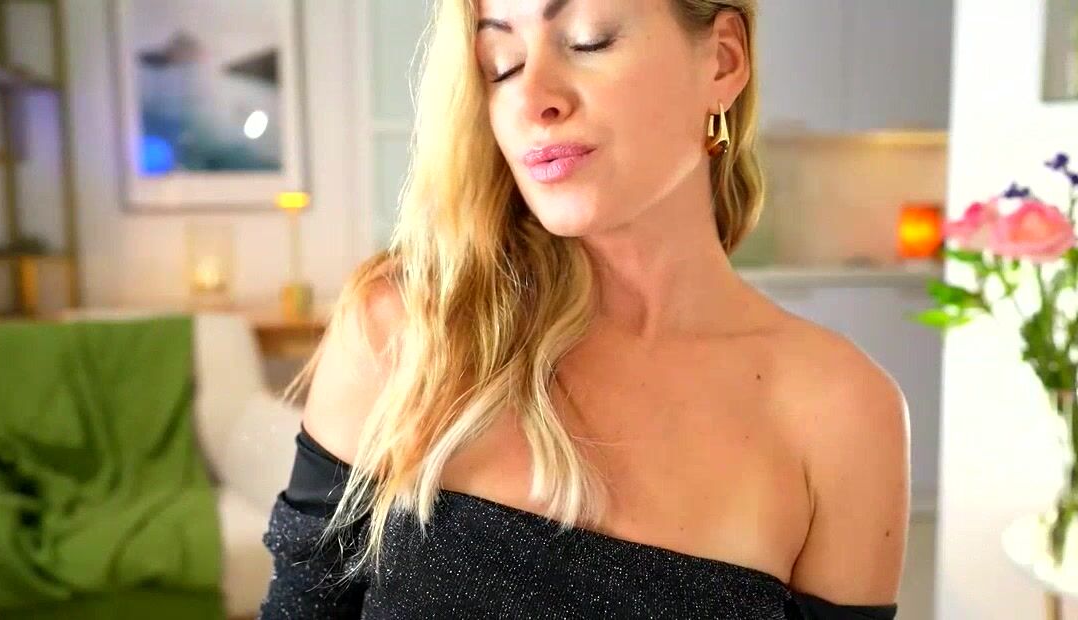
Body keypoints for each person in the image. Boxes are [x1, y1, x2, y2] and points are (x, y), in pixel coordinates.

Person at [260, 0, 910, 618]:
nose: (532, 99)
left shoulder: (842, 415)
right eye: (499, 66)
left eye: (588, 40)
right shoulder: (404, 332)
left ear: (723, 60)